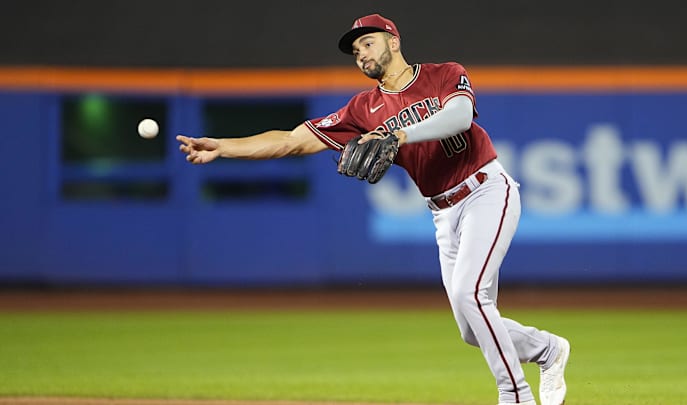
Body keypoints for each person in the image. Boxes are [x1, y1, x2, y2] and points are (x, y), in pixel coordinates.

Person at [177, 13, 570, 405]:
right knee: (471, 329)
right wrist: (225, 147)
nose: (360, 53)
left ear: (393, 41)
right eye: (354, 50)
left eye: (367, 42)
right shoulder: (363, 110)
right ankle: (549, 351)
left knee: (470, 294)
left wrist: (401, 133)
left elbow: (460, 117)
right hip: (442, 212)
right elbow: (291, 141)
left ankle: (514, 395)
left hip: (486, 190)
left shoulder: (443, 74)